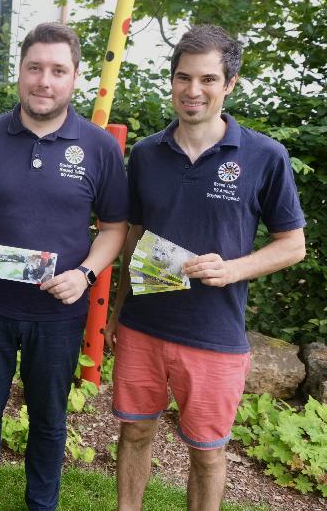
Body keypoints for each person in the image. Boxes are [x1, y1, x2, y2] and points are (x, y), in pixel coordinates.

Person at [105, 25, 306, 511]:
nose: (193, 90)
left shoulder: (264, 156)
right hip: (144, 326)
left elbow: (293, 245)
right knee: (134, 432)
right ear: (172, 81)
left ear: (229, 83)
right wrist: (118, 308)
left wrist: (234, 269)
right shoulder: (148, 154)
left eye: (208, 79)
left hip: (214, 334)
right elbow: (133, 236)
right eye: (183, 77)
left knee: (208, 455)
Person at [0, 22, 129, 511]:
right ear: (20, 73)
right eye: (35, 68)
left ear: (74, 79)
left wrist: (85, 275)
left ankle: (42, 505)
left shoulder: (99, 147)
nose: (44, 81)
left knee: (49, 418)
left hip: (59, 311)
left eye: (57, 70)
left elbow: (114, 227)